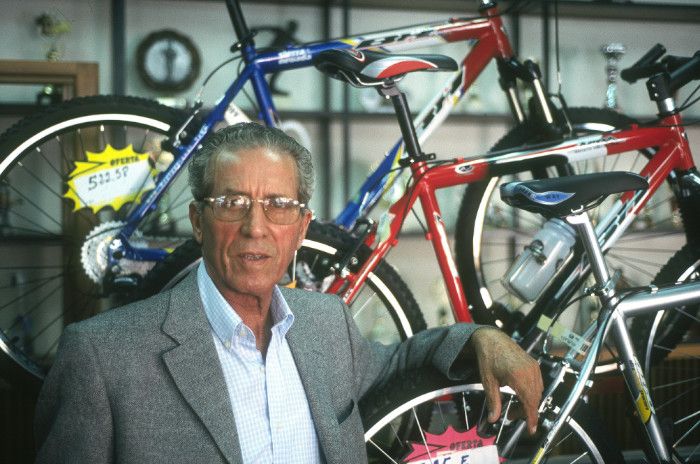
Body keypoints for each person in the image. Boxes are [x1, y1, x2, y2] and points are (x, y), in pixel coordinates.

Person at [34, 123, 543, 463]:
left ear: (301, 228)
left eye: (278, 205)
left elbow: (402, 361)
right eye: (232, 202)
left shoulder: (326, 322)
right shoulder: (101, 356)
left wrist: (483, 337)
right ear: (198, 221)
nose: (256, 227)